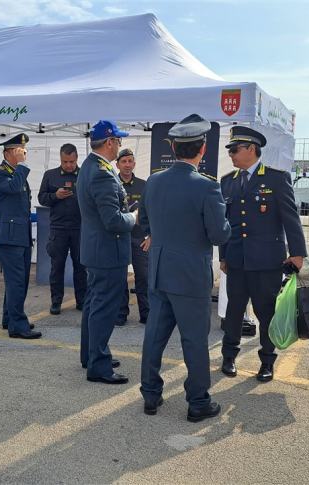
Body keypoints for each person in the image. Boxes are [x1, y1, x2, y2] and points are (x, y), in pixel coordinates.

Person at [139, 114, 231, 422]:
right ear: (202, 148)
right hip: (190, 275)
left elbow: (144, 222)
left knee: (155, 335)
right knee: (193, 340)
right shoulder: (207, 188)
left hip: (160, 269)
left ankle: (150, 395)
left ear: (174, 148)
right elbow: (219, 234)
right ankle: (197, 402)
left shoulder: (153, 181)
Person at [218, 126, 307, 382]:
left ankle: (267, 362)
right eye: (230, 150)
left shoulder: (276, 179)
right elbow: (227, 224)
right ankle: (229, 357)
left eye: (235, 150)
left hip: (267, 261)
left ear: (251, 149)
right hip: (236, 260)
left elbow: (291, 218)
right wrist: (224, 255)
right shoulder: (228, 181)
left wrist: (298, 253)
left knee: (265, 312)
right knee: (234, 311)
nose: (232, 155)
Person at [78, 120, 136, 384]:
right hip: (107, 251)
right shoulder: (101, 172)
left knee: (93, 304)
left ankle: (92, 355)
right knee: (103, 307)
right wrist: (133, 217)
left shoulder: (91, 166)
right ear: (110, 142)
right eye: (119, 141)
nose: (120, 146)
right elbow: (112, 220)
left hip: (97, 249)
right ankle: (98, 365)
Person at [0, 133, 42, 340]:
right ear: (8, 153)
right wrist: (21, 166)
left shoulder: (14, 172)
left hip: (21, 235)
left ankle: (9, 318)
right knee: (17, 281)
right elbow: (12, 188)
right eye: (20, 151)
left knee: (17, 281)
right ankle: (18, 326)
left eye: (24, 151)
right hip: (9, 237)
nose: (24, 154)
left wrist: (19, 167)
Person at [37, 144, 86, 315]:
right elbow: (41, 198)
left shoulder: (84, 175)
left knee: (81, 267)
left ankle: (82, 301)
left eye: (72, 161)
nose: (69, 165)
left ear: (77, 158)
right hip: (58, 229)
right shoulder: (50, 175)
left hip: (80, 228)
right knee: (57, 266)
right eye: (65, 162)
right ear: (60, 158)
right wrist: (55, 196)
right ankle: (56, 301)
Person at [115, 148, 150, 325]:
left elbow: (153, 212)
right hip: (119, 238)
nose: (127, 165)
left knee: (143, 276)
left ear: (134, 164)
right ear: (118, 164)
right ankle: (121, 313)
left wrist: (151, 235)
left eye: (130, 161)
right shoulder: (112, 184)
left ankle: (146, 313)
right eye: (124, 162)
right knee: (120, 277)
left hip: (140, 239)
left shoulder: (144, 185)